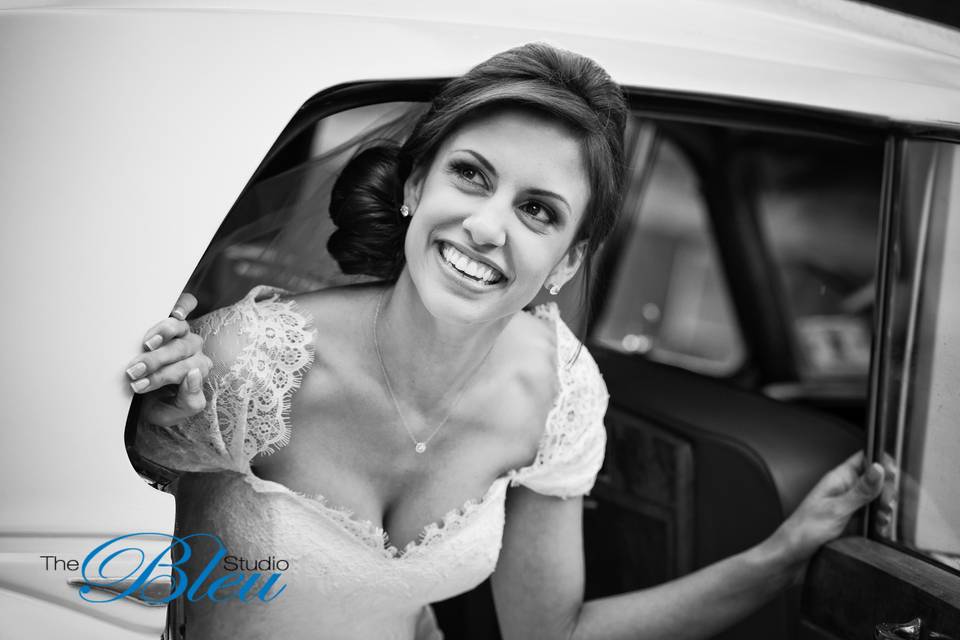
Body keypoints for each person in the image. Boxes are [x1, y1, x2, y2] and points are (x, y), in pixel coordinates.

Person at [126, 43, 885, 640]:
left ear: (569, 262)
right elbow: (97, 518)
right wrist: (156, 416)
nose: (487, 228)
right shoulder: (246, 359)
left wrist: (780, 558)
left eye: (538, 211)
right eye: (470, 176)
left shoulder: (558, 392)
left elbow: (552, 632)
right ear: (415, 187)